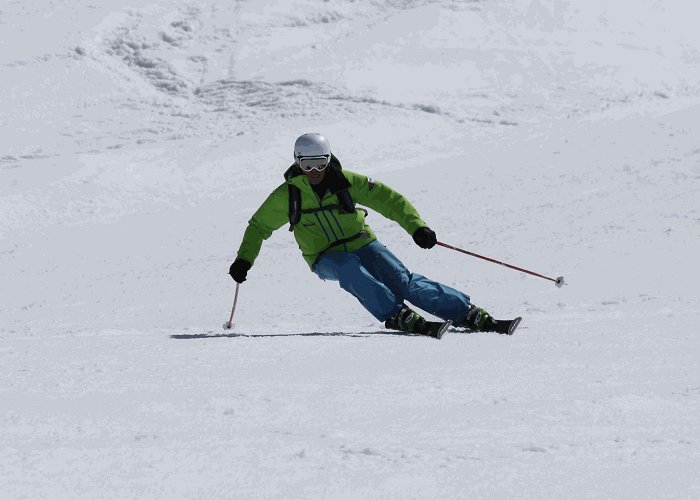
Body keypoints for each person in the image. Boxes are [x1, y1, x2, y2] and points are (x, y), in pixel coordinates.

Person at [229, 133, 513, 338]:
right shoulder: (287, 195)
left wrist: (417, 227)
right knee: (347, 268)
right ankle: (395, 314)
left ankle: (466, 312)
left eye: (320, 163)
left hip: (364, 243)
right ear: (297, 163)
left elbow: (390, 200)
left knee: (403, 281)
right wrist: (244, 260)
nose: (314, 171)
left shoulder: (348, 182)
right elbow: (259, 227)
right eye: (307, 165)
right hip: (324, 256)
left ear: (329, 160)